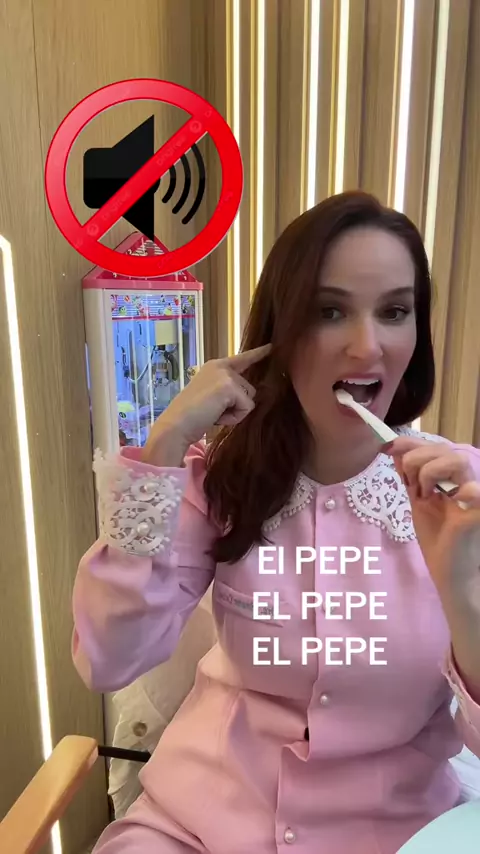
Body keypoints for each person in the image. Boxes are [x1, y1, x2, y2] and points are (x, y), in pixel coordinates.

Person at [72, 191, 480, 854]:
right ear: (281, 334)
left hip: (396, 835)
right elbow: (106, 658)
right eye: (329, 311)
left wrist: (463, 592)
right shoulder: (224, 480)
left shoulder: (463, 494)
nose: (367, 346)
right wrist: (166, 443)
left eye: (394, 312)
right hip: (198, 827)